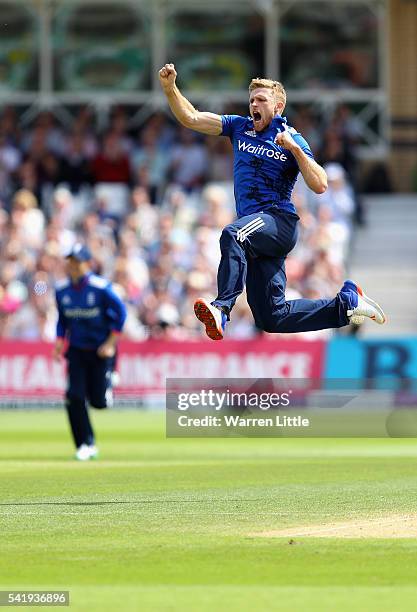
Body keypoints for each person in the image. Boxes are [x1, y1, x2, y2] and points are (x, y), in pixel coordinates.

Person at [158, 63, 386, 340]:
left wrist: (294, 150)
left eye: (261, 100)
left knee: (233, 234)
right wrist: (170, 89)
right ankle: (346, 305)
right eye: (252, 99)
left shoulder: (291, 138)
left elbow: (321, 184)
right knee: (271, 316)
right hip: (258, 233)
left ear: (278, 107)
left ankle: (221, 308)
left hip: (278, 221)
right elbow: (192, 118)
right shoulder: (239, 127)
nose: (254, 103)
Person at [53, 243, 127, 460]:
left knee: (99, 403)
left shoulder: (101, 288)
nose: (72, 266)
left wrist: (111, 343)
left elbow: (121, 314)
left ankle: (110, 378)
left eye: (76, 262)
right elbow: (62, 320)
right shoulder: (62, 291)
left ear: (87, 263)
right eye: (70, 262)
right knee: (73, 397)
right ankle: (85, 444)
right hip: (76, 350)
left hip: (99, 351)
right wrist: (59, 342)